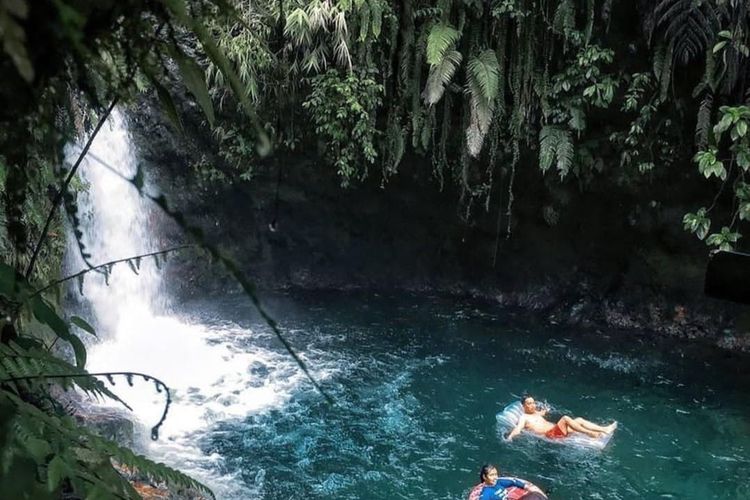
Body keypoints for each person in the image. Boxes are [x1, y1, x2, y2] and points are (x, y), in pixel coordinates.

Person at [506, 395, 617, 441]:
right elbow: (518, 428)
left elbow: (543, 412)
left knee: (579, 420)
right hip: (551, 434)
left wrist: (546, 410)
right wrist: (510, 437)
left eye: (533, 403)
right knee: (565, 418)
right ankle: (603, 430)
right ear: (524, 406)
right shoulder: (524, 417)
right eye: (529, 403)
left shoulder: (536, 413)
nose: (533, 405)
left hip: (556, 429)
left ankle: (596, 433)